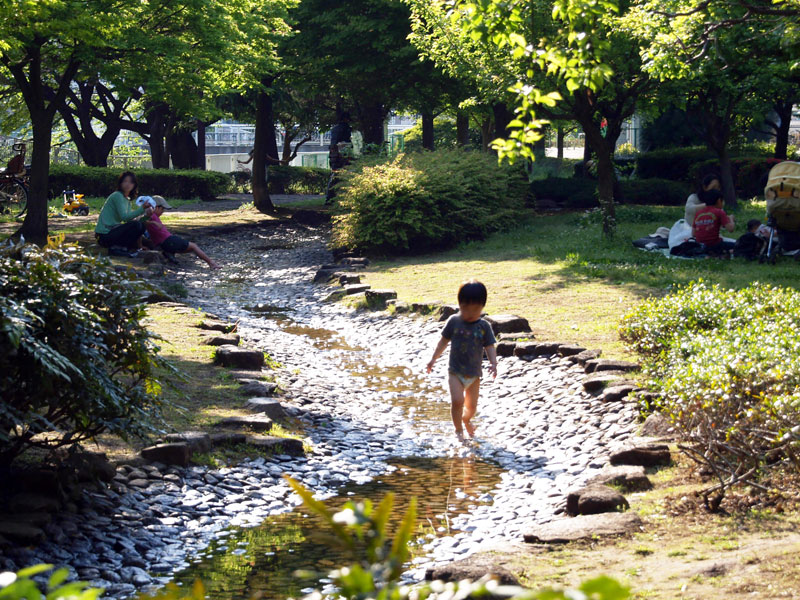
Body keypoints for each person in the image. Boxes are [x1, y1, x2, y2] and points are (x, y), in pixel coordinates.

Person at [426, 280, 498, 441]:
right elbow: (443, 342)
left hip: (474, 375)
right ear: (459, 305)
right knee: (457, 401)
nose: (470, 313)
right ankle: (458, 430)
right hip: (455, 372)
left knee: (471, 407)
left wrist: (493, 363)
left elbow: (490, 346)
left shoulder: (483, 326)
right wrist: (433, 360)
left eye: (476, 309)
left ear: (482, 307)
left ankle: (466, 419)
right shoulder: (454, 321)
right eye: (466, 309)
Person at [145, 196, 220, 269]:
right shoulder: (152, 216)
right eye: (162, 209)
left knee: (190, 247)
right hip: (167, 240)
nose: (163, 212)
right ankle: (211, 263)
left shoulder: (152, 217)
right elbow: (148, 218)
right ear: (157, 207)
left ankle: (169, 252)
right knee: (193, 246)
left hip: (163, 242)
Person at [95, 171, 151, 255]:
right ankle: (117, 248)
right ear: (120, 183)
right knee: (136, 225)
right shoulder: (117, 195)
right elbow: (124, 217)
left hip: (113, 232)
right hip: (103, 235)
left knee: (141, 226)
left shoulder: (127, 200)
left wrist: (147, 216)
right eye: (125, 181)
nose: (128, 184)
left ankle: (125, 247)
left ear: (134, 185)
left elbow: (129, 220)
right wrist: (142, 208)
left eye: (131, 182)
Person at [693, 188, 735, 255]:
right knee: (738, 245)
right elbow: (730, 229)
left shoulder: (698, 213)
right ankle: (725, 252)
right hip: (715, 244)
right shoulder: (719, 212)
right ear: (719, 201)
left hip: (700, 245)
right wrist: (731, 219)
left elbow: (693, 233)